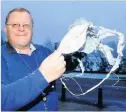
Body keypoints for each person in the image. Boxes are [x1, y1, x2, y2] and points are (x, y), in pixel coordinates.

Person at [1, 8, 66, 111]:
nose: (21, 29)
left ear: (32, 28)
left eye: (26, 25)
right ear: (5, 28)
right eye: (15, 25)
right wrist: (43, 76)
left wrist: (79, 47)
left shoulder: (44, 51)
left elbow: (67, 63)